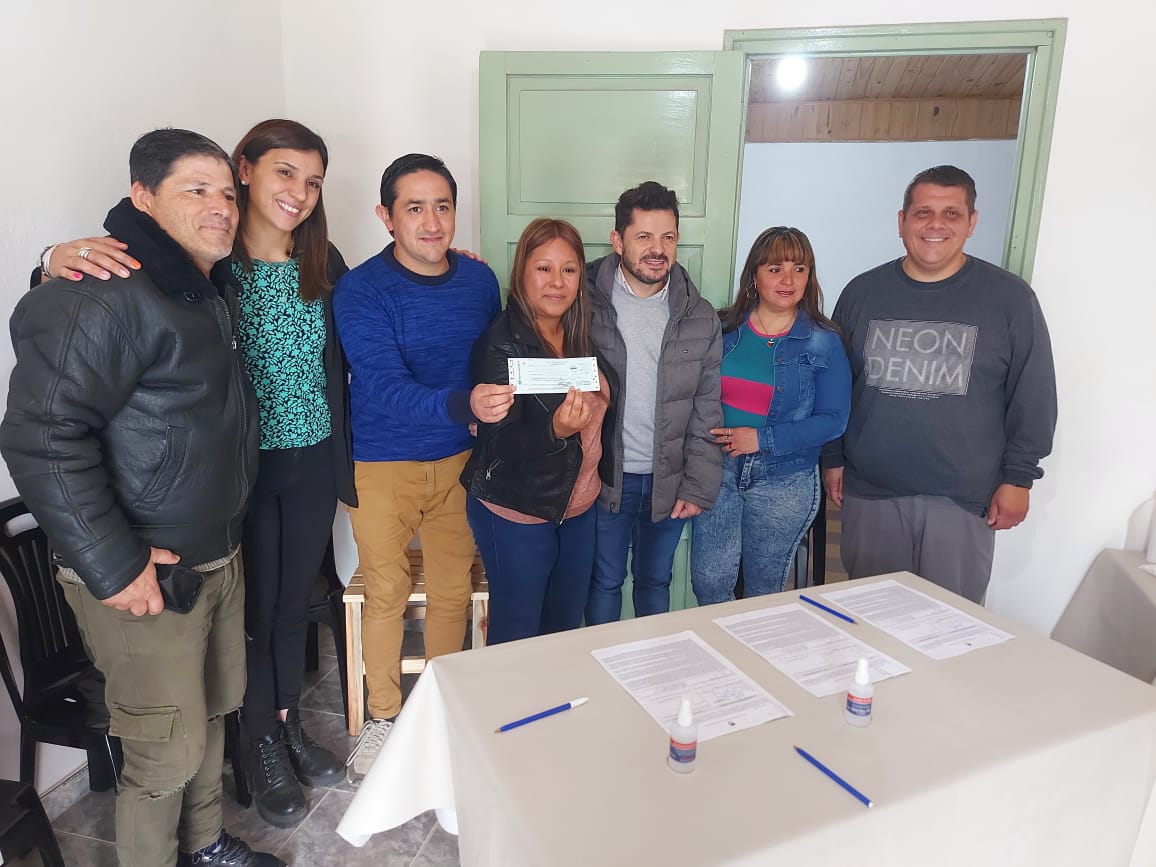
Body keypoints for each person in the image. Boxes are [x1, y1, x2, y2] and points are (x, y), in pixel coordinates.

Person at [44, 119, 354, 829]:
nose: (299, 193)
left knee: (291, 604)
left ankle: (286, 722)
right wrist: (50, 258)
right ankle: (260, 742)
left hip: (311, 458)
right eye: (285, 173)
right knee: (251, 616)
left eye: (313, 181)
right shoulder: (211, 257)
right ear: (246, 169)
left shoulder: (322, 256)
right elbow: (120, 281)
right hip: (240, 468)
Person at [1, 129, 279, 867]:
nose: (220, 207)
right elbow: (41, 437)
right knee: (163, 747)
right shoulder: (103, 291)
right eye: (197, 189)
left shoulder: (199, 285)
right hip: (143, 570)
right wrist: (116, 564)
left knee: (210, 712)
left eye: (227, 193)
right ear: (143, 197)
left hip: (211, 553)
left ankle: (205, 843)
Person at [333, 153, 512, 780]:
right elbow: (381, 383)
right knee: (384, 591)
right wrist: (463, 406)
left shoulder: (478, 281)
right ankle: (383, 719)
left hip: (461, 461)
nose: (432, 222)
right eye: (414, 208)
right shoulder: (361, 289)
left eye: (442, 206)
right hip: (380, 463)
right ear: (386, 217)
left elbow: (493, 357)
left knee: (452, 588)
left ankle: (441, 710)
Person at [821, 165, 1057, 603]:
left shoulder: (1010, 299)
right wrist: (832, 457)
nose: (935, 225)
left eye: (951, 214)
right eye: (923, 212)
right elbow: (834, 386)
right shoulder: (862, 293)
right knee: (871, 621)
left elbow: (1033, 395)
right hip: (871, 492)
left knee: (950, 627)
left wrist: (1019, 478)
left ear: (971, 222)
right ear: (902, 221)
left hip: (962, 500)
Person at [461, 218, 616, 644]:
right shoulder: (500, 343)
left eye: (569, 269)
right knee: (518, 636)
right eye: (544, 268)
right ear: (522, 273)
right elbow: (498, 442)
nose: (557, 282)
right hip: (518, 510)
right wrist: (555, 428)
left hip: (577, 508)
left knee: (562, 631)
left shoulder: (580, 332)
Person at [583, 181, 723, 625]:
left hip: (670, 479)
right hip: (604, 477)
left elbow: (707, 408)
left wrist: (697, 486)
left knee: (655, 582)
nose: (657, 249)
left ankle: (652, 666)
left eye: (668, 237)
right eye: (643, 236)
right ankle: (603, 664)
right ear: (618, 240)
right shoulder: (581, 301)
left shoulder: (700, 316)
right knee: (604, 581)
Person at [691, 227, 850, 604]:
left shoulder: (824, 341)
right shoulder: (722, 329)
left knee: (764, 591)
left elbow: (834, 419)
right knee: (709, 582)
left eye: (799, 269)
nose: (788, 280)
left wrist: (761, 439)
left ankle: (755, 644)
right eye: (775, 269)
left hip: (783, 480)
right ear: (754, 276)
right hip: (719, 473)